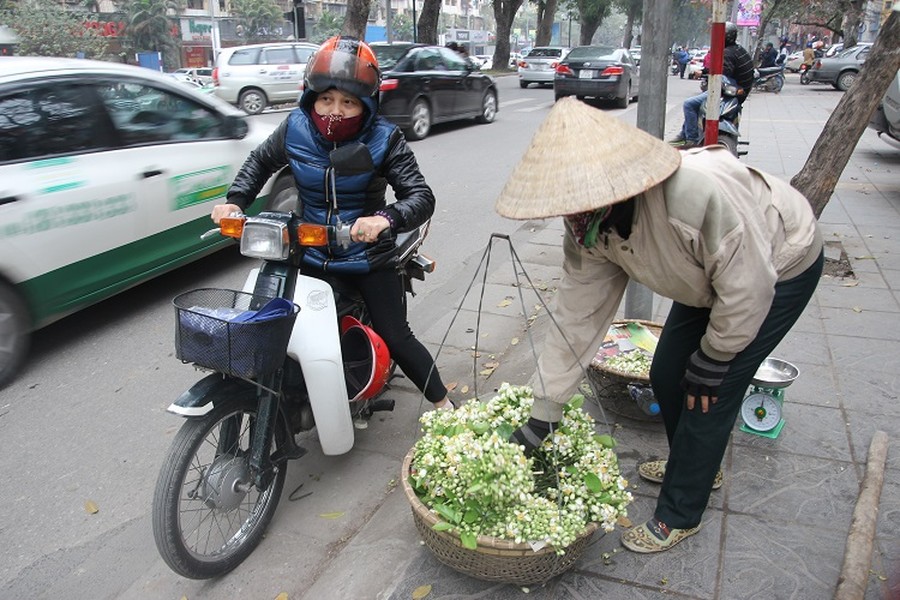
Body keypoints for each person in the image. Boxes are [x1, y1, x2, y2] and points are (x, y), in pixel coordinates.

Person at [496, 97, 823, 553]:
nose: (572, 215)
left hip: (778, 264)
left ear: (614, 184)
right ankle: (696, 464)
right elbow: (577, 316)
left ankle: (680, 512)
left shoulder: (693, 198)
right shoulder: (590, 227)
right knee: (667, 371)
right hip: (710, 279)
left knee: (708, 389)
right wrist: (544, 412)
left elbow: (749, 284)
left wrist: (717, 355)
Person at [210, 36, 453, 411]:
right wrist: (234, 201)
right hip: (308, 251)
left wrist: (383, 218)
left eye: (348, 102)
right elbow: (259, 163)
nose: (334, 111)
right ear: (312, 97)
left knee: (397, 335)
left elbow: (421, 197)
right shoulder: (294, 128)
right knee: (272, 321)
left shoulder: (385, 138)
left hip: (367, 257)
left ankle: (445, 406)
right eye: (326, 99)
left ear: (367, 104)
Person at [669, 22, 754, 148]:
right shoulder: (740, 50)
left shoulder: (727, 53)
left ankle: (691, 138)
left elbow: (721, 73)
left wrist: (703, 72)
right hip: (739, 94)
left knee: (689, 104)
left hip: (727, 92)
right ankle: (684, 133)